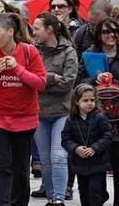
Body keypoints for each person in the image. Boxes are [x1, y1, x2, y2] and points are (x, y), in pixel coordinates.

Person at [0, 13, 47, 206]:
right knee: (1, 166)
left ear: (11, 32)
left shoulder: (29, 52)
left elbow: (40, 83)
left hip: (25, 119)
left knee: (21, 169)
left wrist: (18, 69)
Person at [82, 19, 119, 206]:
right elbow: (79, 84)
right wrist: (94, 80)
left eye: (115, 31)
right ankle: (99, 197)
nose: (111, 35)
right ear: (99, 34)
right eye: (106, 32)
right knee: (97, 161)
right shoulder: (90, 54)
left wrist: (114, 84)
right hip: (95, 116)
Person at [30, 13, 78, 204]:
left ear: (49, 29)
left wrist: (40, 82)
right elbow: (29, 79)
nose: (34, 32)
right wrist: (50, 78)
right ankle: (50, 197)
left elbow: (67, 83)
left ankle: (59, 198)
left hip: (62, 112)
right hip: (39, 111)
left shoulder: (68, 51)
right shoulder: (33, 51)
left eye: (38, 28)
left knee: (58, 156)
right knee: (45, 158)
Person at [61, 84, 113, 206]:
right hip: (80, 163)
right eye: (85, 100)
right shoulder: (71, 120)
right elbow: (65, 139)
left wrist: (95, 148)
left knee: (95, 192)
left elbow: (108, 135)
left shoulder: (100, 117)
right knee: (84, 193)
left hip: (98, 162)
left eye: (92, 100)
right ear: (76, 102)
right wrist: (75, 148)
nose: (89, 103)